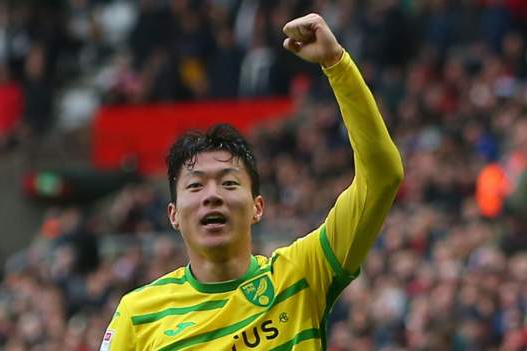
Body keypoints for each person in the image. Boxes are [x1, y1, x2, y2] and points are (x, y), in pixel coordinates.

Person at [100, 13, 404, 350]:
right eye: (196, 185)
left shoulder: (301, 276)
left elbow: (381, 177)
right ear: (173, 214)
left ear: (258, 207)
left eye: (229, 183)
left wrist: (336, 64)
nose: (212, 195)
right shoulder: (137, 315)